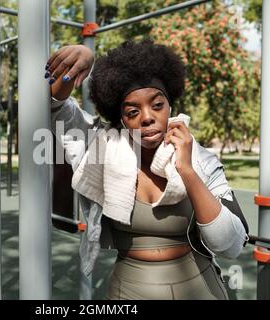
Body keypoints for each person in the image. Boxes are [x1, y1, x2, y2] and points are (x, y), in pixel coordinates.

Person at [46, 39, 249, 300]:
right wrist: (82, 59)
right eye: (133, 110)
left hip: (198, 286)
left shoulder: (200, 159)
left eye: (156, 105)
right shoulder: (103, 147)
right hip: (129, 288)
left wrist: (187, 170)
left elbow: (229, 246)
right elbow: (55, 107)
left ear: (170, 106)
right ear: (121, 118)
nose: (147, 117)